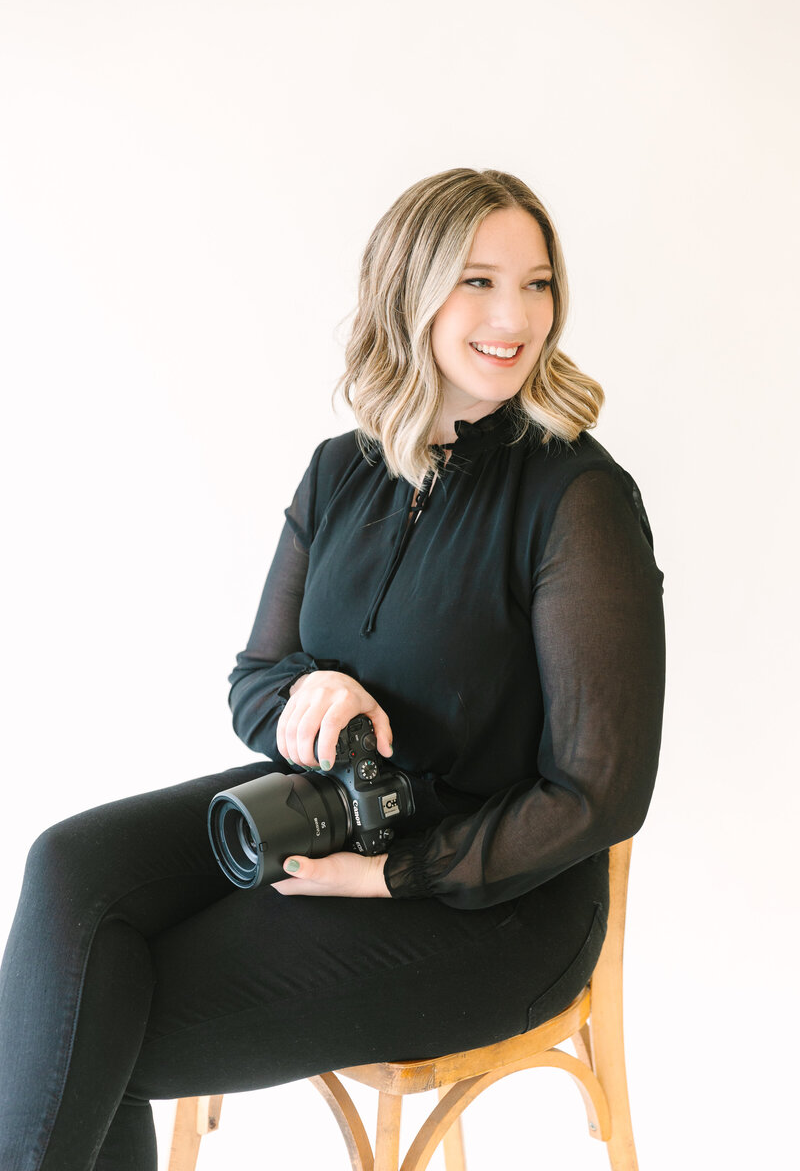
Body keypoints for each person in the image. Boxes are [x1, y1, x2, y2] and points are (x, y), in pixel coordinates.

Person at [0, 167, 666, 1171]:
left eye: (535, 284)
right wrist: (312, 691)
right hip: (324, 815)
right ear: (410, 289)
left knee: (97, 1020)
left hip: (495, 904)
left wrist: (396, 875)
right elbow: (254, 678)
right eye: (476, 281)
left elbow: (599, 794)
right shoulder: (339, 470)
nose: (512, 314)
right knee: (71, 868)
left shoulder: (575, 497)